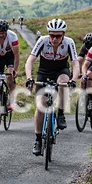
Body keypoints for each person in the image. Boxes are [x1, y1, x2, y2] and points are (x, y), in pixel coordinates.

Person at [25, 18, 79, 156]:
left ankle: (60, 114)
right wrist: (29, 78)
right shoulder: (42, 41)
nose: (54, 39)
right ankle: (38, 139)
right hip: (44, 72)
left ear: (63, 34)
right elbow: (30, 61)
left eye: (58, 35)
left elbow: (75, 63)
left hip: (61, 70)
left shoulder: (69, 42)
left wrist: (73, 79)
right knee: (40, 106)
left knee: (63, 82)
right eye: (52, 35)